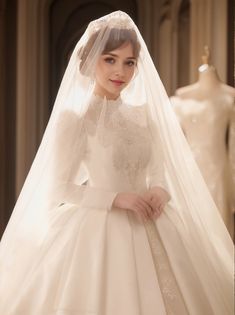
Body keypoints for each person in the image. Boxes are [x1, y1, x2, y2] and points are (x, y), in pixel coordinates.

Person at [0, 11, 233, 315]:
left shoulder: (142, 115)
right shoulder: (76, 119)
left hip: (154, 220)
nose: (120, 71)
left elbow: (159, 170)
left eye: (129, 62)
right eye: (110, 59)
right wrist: (116, 199)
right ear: (89, 61)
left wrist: (161, 191)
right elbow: (58, 188)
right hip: (98, 227)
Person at [171, 49, 235, 237]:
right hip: (188, 168)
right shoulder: (180, 98)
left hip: (217, 168)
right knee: (190, 226)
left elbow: (233, 144)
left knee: (217, 225)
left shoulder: (230, 97)